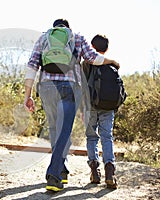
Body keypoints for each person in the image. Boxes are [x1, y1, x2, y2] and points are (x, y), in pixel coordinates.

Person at [24, 19, 120, 192]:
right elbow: (93, 58)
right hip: (69, 89)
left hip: (46, 88)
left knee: (55, 130)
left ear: (55, 28)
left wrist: (28, 95)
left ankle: (62, 171)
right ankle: (53, 176)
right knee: (64, 131)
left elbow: (32, 66)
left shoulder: (43, 38)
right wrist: (112, 61)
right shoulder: (76, 37)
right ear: (68, 28)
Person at [81, 34, 118, 189]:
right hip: (108, 107)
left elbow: (82, 86)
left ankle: (94, 171)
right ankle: (110, 171)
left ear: (92, 47)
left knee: (91, 138)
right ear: (107, 48)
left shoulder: (86, 64)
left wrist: (83, 108)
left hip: (91, 107)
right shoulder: (112, 65)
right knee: (107, 137)